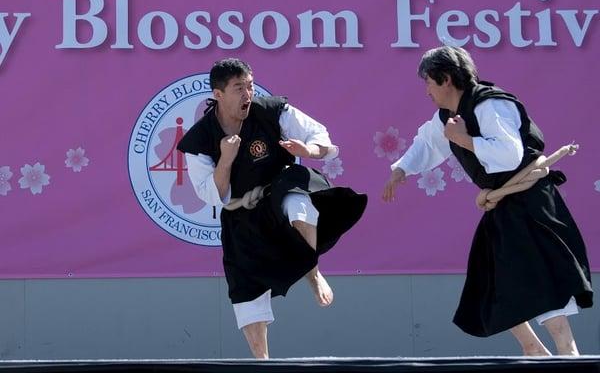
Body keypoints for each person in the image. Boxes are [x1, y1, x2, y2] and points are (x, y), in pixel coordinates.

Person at [382, 46, 593, 356]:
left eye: (428, 81)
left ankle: (567, 352)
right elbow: (427, 143)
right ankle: (533, 348)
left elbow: (510, 154)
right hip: (506, 205)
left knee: (542, 277)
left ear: (447, 79)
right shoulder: (447, 117)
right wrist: (401, 170)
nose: (426, 89)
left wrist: (465, 139)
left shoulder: (489, 104)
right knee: (490, 276)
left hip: (532, 201)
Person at [177, 58, 367, 359]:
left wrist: (308, 151)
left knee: (297, 202)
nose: (247, 94)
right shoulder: (200, 139)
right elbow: (211, 196)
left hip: (280, 188)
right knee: (245, 293)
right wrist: (226, 158)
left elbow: (321, 138)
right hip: (241, 214)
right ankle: (263, 364)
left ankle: (312, 272)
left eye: (250, 86)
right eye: (239, 88)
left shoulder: (271, 111)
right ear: (218, 94)